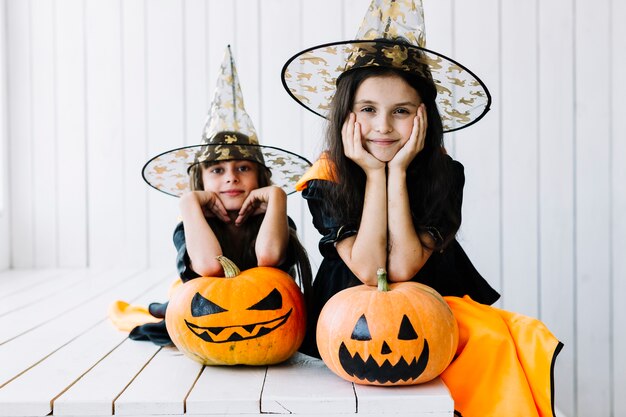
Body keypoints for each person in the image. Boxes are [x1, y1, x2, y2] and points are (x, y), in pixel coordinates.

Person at [283, 1, 562, 416]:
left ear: (424, 117)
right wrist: (374, 176)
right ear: (347, 116)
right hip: (350, 313)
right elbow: (370, 271)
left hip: (430, 306)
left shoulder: (445, 175)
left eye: (401, 112)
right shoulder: (327, 176)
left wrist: (395, 174)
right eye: (368, 110)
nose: (383, 127)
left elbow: (403, 269)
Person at [109, 45, 313, 347]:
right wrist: (188, 202)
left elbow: (269, 260)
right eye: (217, 170)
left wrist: (278, 197)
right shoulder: (191, 222)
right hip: (209, 312)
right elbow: (209, 267)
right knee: (168, 320)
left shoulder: (273, 218)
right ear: (201, 180)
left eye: (243, 167)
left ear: (260, 177)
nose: (231, 176)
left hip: (268, 313)